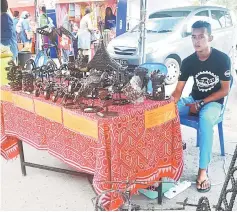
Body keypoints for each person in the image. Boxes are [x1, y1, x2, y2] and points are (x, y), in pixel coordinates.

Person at [172, 21, 231, 192]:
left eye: (201, 37)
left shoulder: (221, 59)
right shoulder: (189, 61)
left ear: (210, 38)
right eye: (193, 37)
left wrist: (201, 104)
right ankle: (169, 158)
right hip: (194, 99)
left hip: (213, 103)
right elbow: (178, 91)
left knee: (205, 120)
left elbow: (225, 90)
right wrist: (167, 104)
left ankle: (203, 171)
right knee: (168, 112)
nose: (197, 41)